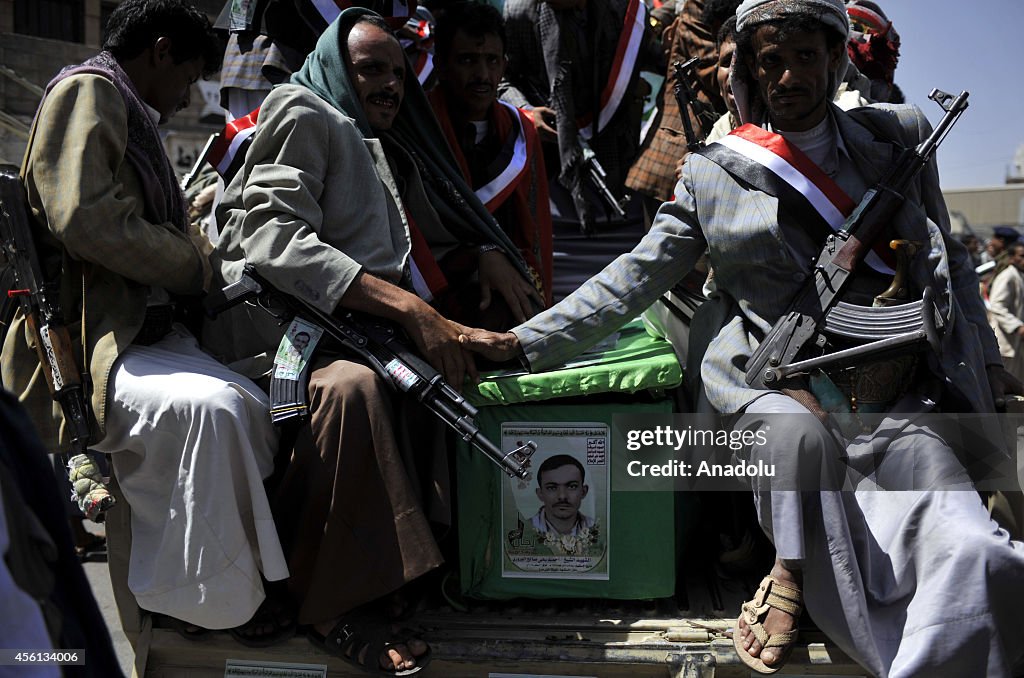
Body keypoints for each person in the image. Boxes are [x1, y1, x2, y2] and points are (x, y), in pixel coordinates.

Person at [460, 0, 1024, 675]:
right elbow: (631, 279)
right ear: (749, 73)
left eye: (806, 57)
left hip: (882, 392)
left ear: (836, 59)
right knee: (796, 438)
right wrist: (522, 343)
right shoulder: (713, 171)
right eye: (772, 62)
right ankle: (791, 574)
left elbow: (951, 262)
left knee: (973, 545)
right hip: (768, 385)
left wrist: (986, 363)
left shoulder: (895, 139)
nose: (789, 76)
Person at [207, 8, 538, 673]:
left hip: (354, 331)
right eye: (371, 71)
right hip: (286, 341)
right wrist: (411, 310)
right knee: (355, 391)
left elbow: (409, 240)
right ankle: (326, 602)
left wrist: (479, 254)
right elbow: (272, 239)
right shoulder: (305, 113)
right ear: (337, 68)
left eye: (397, 72)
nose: (390, 85)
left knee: (442, 373)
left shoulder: (372, 139)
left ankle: (400, 578)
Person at [0, 0, 289, 639]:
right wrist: (188, 260)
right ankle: (200, 603)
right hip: (100, 336)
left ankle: (227, 583)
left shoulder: (129, 109)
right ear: (160, 51)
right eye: (187, 78)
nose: (188, 100)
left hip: (151, 334)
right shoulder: (90, 92)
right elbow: (83, 218)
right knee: (211, 412)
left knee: (257, 405)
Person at [428, 1, 554, 305]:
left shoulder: (520, 131)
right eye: (467, 60)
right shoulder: (419, 131)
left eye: (492, 60)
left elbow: (533, 232)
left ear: (504, 64)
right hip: (438, 288)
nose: (483, 74)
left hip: (507, 288)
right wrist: (478, 255)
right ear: (441, 65)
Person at [499, 0, 660, 232]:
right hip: (549, 174)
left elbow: (655, 56)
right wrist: (527, 111)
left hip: (617, 164)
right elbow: (503, 79)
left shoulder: (623, 9)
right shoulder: (518, 11)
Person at [530, 454, 595, 536]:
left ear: (583, 491)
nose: (562, 496)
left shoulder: (597, 529)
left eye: (572, 486)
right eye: (552, 488)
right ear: (540, 493)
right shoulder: (526, 529)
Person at [987, 242, 1024, 382]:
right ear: (1012, 258)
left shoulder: (1019, 276)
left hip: (1015, 344)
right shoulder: (1008, 276)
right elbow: (997, 305)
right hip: (1006, 343)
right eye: (1021, 256)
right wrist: (1017, 326)